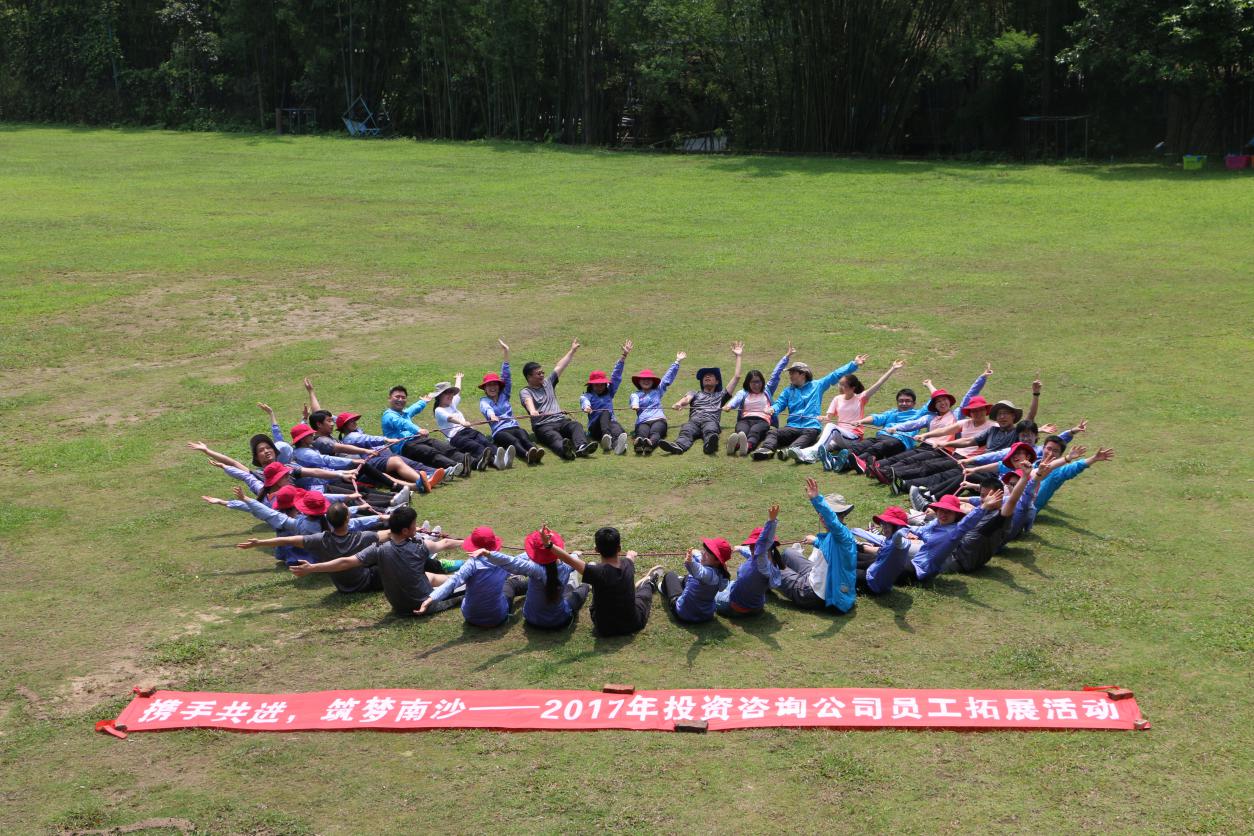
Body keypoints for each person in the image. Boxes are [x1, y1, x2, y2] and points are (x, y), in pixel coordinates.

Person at [289, 507, 464, 617]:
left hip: (398, 606)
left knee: (428, 576)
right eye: (414, 525)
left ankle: (456, 578)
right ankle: (461, 581)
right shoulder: (419, 547)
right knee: (469, 586)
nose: (415, 526)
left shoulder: (378, 549)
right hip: (423, 605)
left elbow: (345, 562)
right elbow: (445, 543)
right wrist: (469, 543)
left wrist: (312, 568)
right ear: (405, 530)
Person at [237, 502, 387, 594]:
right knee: (387, 552)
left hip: (343, 587)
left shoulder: (320, 539)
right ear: (348, 519)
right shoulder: (362, 537)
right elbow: (390, 534)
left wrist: (259, 543)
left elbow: (287, 540)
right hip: (365, 582)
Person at [544, 526, 658, 637]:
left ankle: (646, 584)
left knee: (601, 594)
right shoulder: (628, 564)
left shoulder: (595, 572)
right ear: (619, 548)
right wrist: (630, 555)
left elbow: (568, 559)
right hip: (633, 624)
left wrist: (549, 545)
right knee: (643, 596)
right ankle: (649, 583)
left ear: (596, 549)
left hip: (604, 628)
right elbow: (629, 559)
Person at [751, 353, 866, 460]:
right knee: (773, 433)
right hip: (792, 427)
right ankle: (767, 449)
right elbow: (779, 404)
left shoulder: (817, 385)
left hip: (811, 428)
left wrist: (854, 364)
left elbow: (835, 375)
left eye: (793, 373)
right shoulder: (788, 391)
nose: (790, 376)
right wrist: (773, 409)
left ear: (803, 374)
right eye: (790, 373)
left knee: (801, 441)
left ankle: (788, 451)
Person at [789, 359, 905, 463]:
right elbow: (828, 418)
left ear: (852, 388)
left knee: (831, 427)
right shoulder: (837, 399)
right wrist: (822, 418)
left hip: (853, 437)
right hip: (840, 436)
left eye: (843, 385)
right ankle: (804, 455)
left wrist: (893, 369)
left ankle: (811, 453)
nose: (840, 387)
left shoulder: (861, 398)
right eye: (839, 384)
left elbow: (878, 383)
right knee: (825, 445)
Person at [476, 528, 591, 629]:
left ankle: (578, 586)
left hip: (531, 619)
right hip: (559, 620)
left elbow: (512, 562)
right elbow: (572, 561)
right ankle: (586, 585)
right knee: (577, 592)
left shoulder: (535, 569)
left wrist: (489, 554)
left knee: (568, 589)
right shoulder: (566, 567)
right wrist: (575, 554)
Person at [773, 479, 857, 613]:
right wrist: (815, 541)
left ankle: (754, 593)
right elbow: (830, 549)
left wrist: (816, 499)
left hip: (815, 594)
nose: (821, 516)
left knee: (770, 569)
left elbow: (832, 521)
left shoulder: (842, 535)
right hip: (816, 576)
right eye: (820, 513)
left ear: (839, 516)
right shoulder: (837, 537)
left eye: (825, 513)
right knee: (788, 553)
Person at [418, 526, 528, 627]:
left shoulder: (471, 564)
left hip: (470, 616)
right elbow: (518, 560)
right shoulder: (503, 562)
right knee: (511, 584)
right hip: (497, 618)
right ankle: (529, 586)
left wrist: (430, 599)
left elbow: (452, 583)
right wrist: (535, 548)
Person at [660, 341, 744, 455]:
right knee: (686, 429)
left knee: (711, 430)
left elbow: (737, 377)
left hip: (711, 420)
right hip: (694, 421)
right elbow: (686, 399)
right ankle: (678, 446)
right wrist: (679, 403)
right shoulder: (694, 393)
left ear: (717, 381)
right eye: (705, 376)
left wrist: (738, 356)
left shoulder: (721, 395)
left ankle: (710, 445)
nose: (707, 376)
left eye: (711, 375)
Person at [520, 339, 598, 460]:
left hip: (560, 420)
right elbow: (527, 401)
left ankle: (581, 447)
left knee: (576, 426)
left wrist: (572, 351)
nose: (542, 375)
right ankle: (565, 451)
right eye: (538, 373)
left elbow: (560, 366)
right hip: (543, 425)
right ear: (529, 377)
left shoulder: (548, 383)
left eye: (542, 372)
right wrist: (532, 411)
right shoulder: (525, 391)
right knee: (554, 437)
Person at [478, 338, 543, 464]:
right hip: (499, 431)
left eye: (495, 384)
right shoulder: (484, 401)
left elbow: (506, 376)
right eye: (489, 385)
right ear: (485, 389)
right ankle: (527, 455)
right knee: (514, 441)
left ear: (499, 386)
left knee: (523, 436)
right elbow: (487, 408)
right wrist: (492, 415)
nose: (492, 387)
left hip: (513, 426)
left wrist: (506, 351)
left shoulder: (504, 395)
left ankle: (535, 451)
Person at [380, 384, 466, 475]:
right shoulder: (388, 415)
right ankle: (455, 467)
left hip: (417, 439)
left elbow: (413, 409)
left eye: (403, 397)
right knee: (428, 451)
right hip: (403, 446)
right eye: (397, 397)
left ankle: (468, 461)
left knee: (440, 445)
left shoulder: (404, 413)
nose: (400, 400)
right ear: (389, 398)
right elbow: (402, 423)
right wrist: (418, 430)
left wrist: (423, 401)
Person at [724, 343, 793, 456]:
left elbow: (775, 374)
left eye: (758, 382)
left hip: (762, 420)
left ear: (762, 382)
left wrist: (786, 357)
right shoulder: (743, 393)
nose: (756, 385)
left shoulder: (767, 390)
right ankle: (735, 445)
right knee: (741, 430)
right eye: (753, 382)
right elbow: (736, 400)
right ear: (748, 383)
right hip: (745, 419)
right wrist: (729, 406)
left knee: (755, 431)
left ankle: (747, 446)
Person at [714, 504, 782, 617]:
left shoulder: (761, 561)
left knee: (714, 587)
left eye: (752, 545)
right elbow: (755, 552)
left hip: (737, 607)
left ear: (762, 548)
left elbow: (763, 542)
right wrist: (740, 549)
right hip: (757, 606)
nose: (750, 547)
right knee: (732, 583)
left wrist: (771, 521)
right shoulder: (771, 559)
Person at [432, 376, 503, 471]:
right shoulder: (438, 410)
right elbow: (450, 418)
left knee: (485, 441)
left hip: (469, 430)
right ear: (439, 396)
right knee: (476, 446)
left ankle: (501, 456)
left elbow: (458, 391)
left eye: (451, 393)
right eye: (446, 393)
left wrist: (459, 378)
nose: (450, 395)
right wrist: (462, 422)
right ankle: (493, 461)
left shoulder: (452, 403)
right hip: (456, 437)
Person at [656, 536, 732, 623]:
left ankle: (664, 588)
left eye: (707, 553)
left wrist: (690, 562)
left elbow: (699, 571)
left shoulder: (708, 574)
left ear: (717, 560)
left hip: (684, 613)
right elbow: (702, 561)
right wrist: (695, 552)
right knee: (688, 578)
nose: (703, 553)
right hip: (706, 614)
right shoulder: (721, 573)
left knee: (670, 575)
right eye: (704, 550)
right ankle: (682, 581)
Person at [579, 339, 632, 454]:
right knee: (605, 412)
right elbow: (584, 401)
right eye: (596, 385)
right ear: (591, 385)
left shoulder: (609, 392)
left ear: (605, 384)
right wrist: (586, 407)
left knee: (618, 429)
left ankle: (617, 446)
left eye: (602, 384)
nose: (599, 387)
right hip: (595, 428)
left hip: (610, 423)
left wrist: (624, 356)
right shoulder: (587, 396)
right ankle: (606, 437)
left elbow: (616, 376)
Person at [629, 352, 684, 454]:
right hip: (643, 421)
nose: (646, 381)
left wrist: (677, 361)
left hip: (658, 419)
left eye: (649, 379)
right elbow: (634, 400)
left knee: (656, 432)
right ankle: (639, 445)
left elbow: (667, 378)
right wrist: (635, 405)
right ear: (639, 382)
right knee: (642, 432)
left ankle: (650, 445)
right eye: (643, 379)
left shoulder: (657, 390)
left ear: (653, 382)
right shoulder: (635, 394)